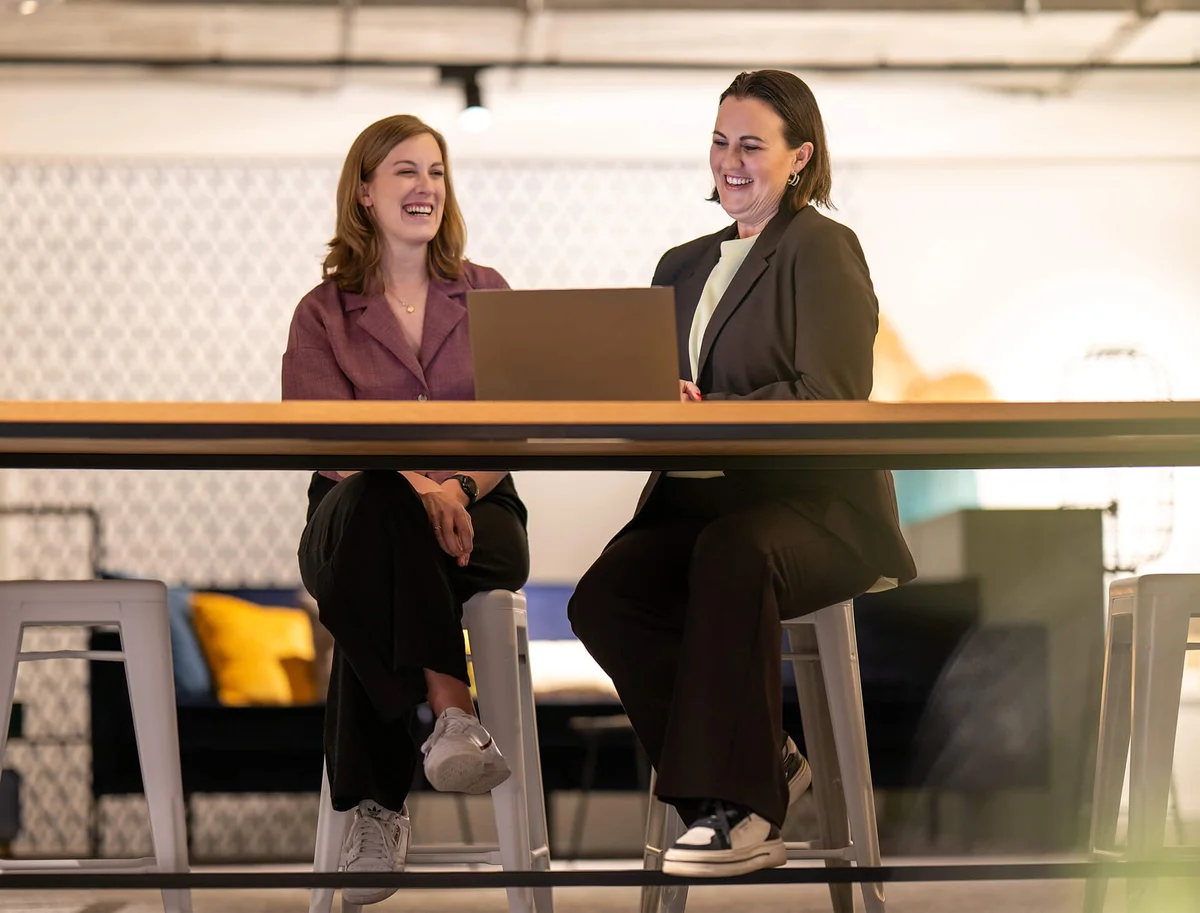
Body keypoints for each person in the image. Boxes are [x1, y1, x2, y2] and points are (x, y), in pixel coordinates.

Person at [567, 70, 917, 878]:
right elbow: (659, 397)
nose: (730, 160)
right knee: (606, 598)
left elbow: (832, 396)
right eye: (721, 141)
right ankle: (763, 763)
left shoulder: (821, 247)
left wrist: (710, 408)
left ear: (801, 158)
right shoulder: (679, 265)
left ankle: (741, 810)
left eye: (751, 145)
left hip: (814, 508)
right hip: (698, 506)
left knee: (732, 551)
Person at [282, 115, 529, 906]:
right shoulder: (322, 312)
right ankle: (452, 708)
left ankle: (375, 809)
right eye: (404, 171)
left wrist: (455, 489)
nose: (425, 187)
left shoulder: (488, 293)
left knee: (373, 579)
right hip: (352, 509)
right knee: (382, 507)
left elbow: (514, 428)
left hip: (478, 507)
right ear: (364, 192)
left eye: (436, 172)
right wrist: (418, 487)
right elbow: (328, 441)